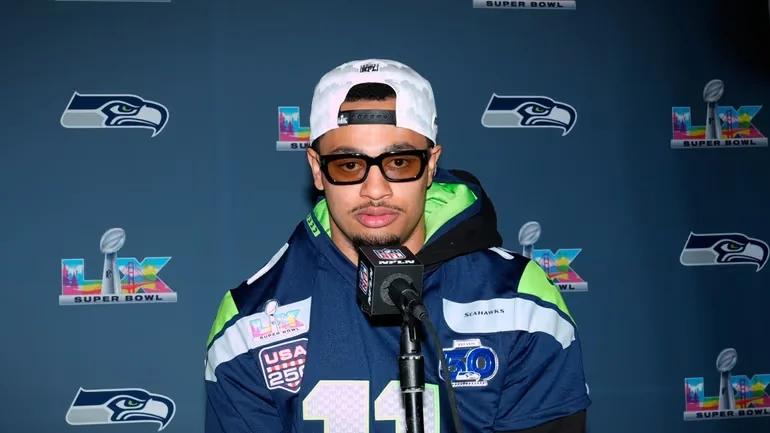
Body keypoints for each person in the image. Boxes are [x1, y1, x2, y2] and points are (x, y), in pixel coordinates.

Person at [204, 59, 591, 433]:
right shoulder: (249, 322)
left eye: (400, 162)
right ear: (318, 170)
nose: (376, 190)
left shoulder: (521, 301)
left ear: (431, 165)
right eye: (349, 165)